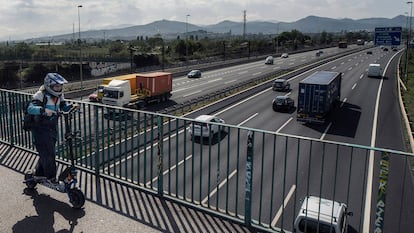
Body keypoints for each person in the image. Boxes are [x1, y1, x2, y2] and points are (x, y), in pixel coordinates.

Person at [27, 73, 74, 183]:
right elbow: (30, 108)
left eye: (60, 86)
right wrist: (43, 110)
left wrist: (71, 106)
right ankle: (51, 177)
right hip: (40, 128)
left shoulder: (59, 96)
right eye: (56, 86)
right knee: (48, 153)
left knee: (47, 152)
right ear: (49, 85)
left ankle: (39, 174)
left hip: (52, 128)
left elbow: (63, 107)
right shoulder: (40, 94)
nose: (59, 88)